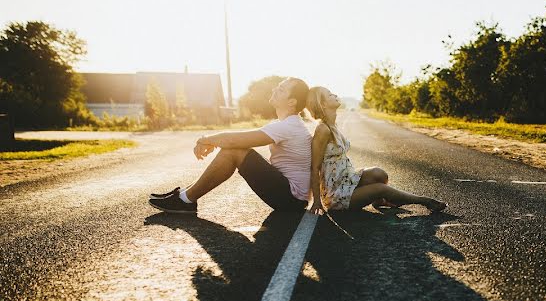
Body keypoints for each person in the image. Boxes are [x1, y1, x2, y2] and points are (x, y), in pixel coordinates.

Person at [149, 77, 313, 214]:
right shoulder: (286, 123)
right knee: (236, 149)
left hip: (291, 199)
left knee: (235, 151)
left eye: (282, 90)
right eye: (278, 86)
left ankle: (185, 199)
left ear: (292, 102)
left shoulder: (288, 126)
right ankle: (185, 195)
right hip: (291, 196)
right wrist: (211, 140)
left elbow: (234, 141)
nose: (275, 90)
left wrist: (205, 139)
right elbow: (240, 137)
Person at [304, 86, 447, 216]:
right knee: (380, 188)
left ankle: (379, 201)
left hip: (347, 181)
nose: (334, 94)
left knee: (379, 173)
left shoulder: (332, 125)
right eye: (329, 94)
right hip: (336, 194)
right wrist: (317, 202)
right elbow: (314, 167)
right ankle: (423, 200)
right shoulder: (323, 129)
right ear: (322, 104)